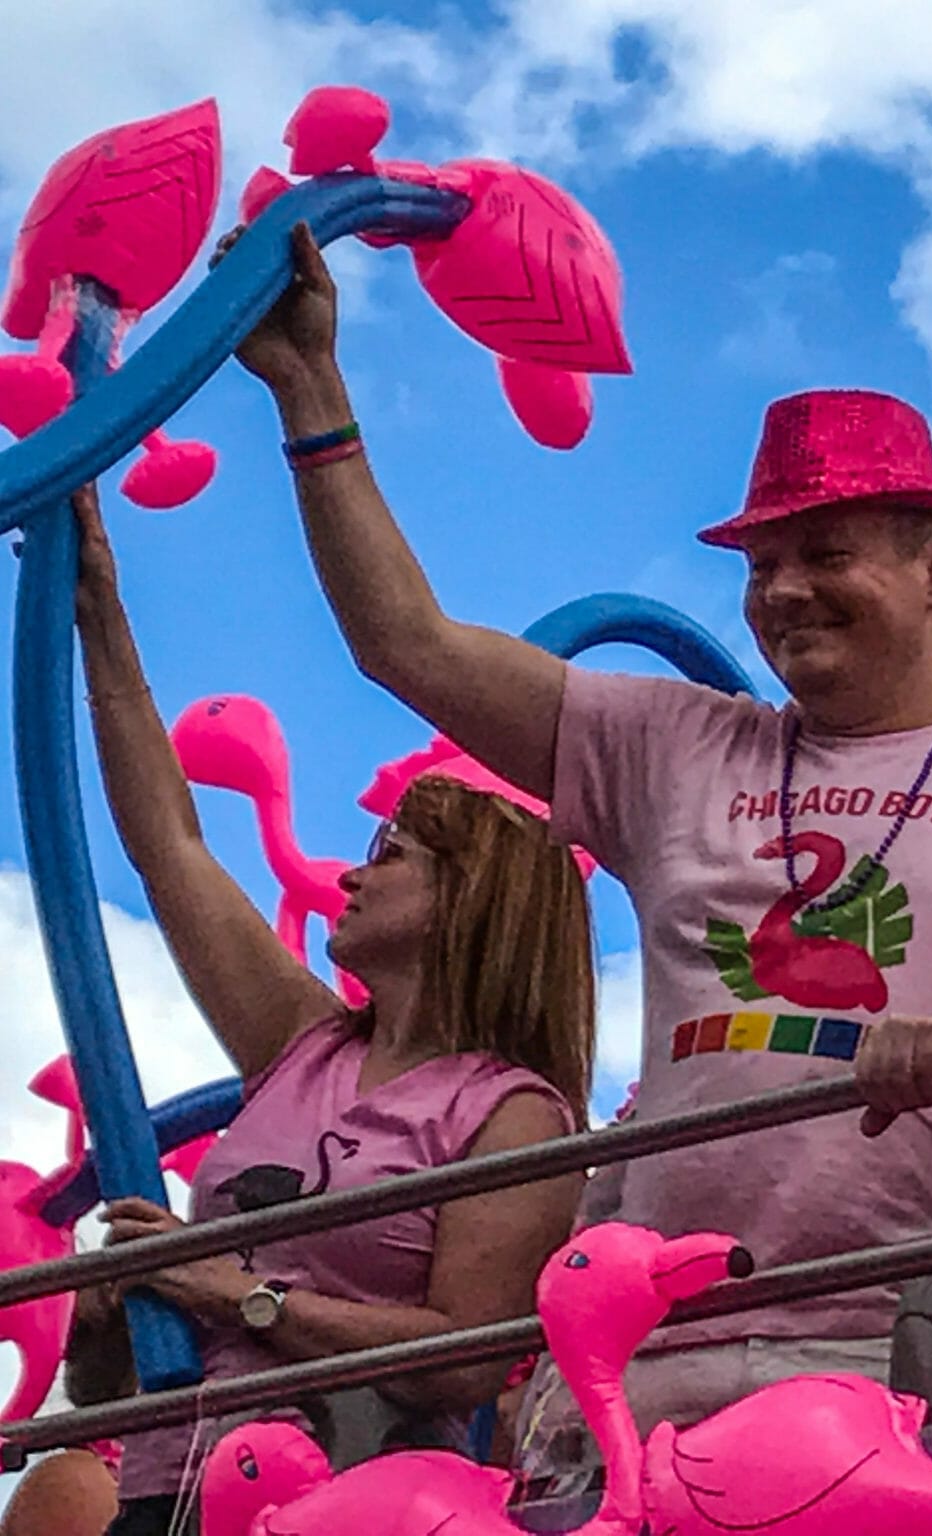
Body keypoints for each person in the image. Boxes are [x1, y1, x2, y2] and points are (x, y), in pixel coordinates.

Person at [221, 226, 932, 1467]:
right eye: (763, 563)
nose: (782, 592)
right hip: (635, 1352)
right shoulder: (669, 743)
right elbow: (407, 643)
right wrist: (312, 392)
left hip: (902, 1337)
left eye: (825, 554)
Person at [72, 483, 593, 1535]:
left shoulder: (515, 1116)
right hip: (169, 1494)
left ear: (475, 903)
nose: (351, 881)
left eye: (391, 857)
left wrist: (235, 1296)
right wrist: (97, 612)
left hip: (349, 1506)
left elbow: (461, 1359)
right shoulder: (300, 1045)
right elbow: (172, 848)